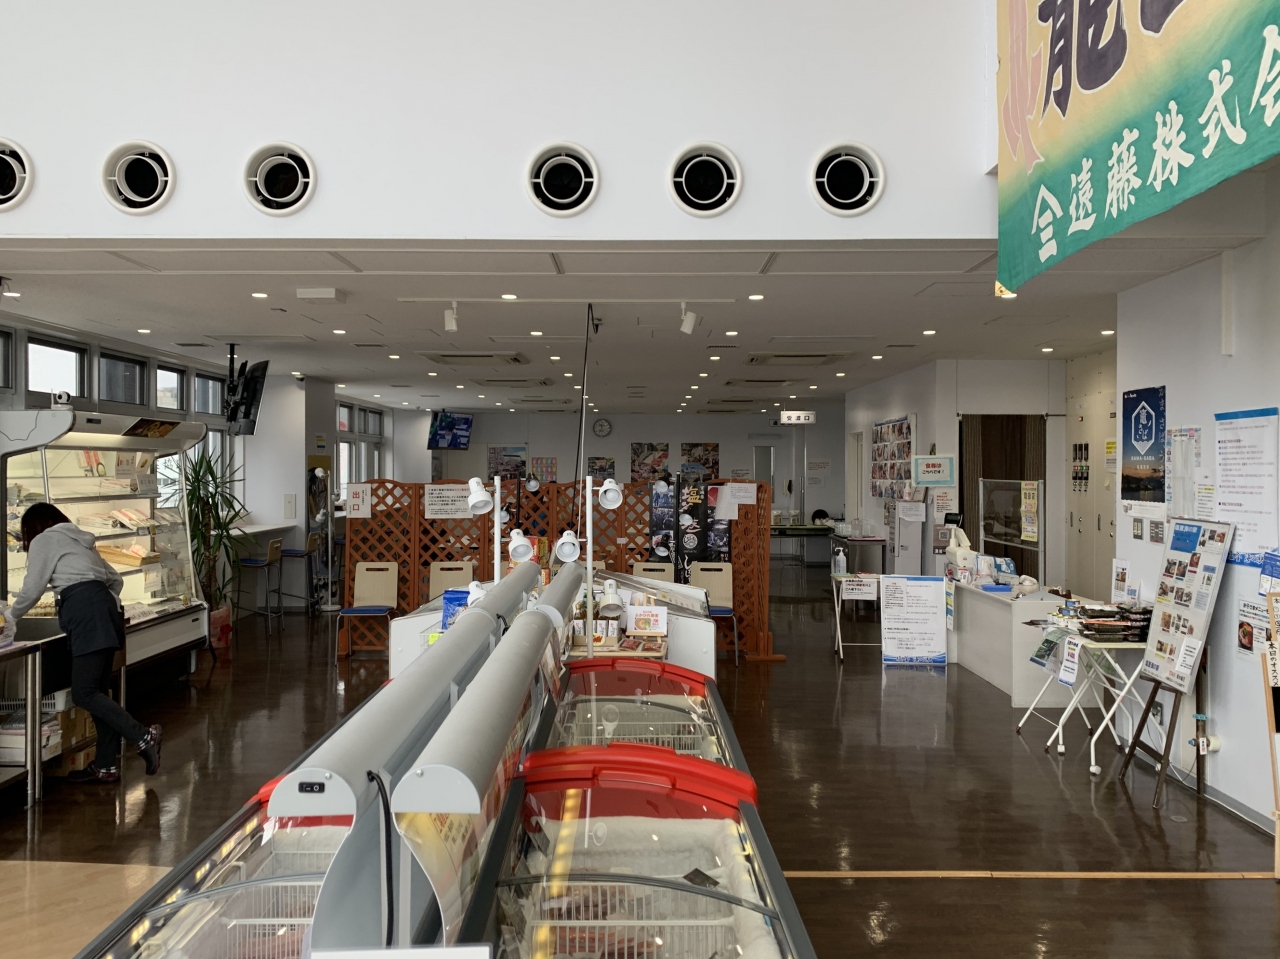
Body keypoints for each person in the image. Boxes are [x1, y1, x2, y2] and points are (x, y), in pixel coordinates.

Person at [3, 503, 160, 784]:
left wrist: (11, 616)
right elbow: (115, 580)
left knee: (84, 693)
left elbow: (33, 587)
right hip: (105, 610)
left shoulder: (44, 540)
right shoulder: (81, 540)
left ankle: (143, 735)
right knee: (97, 691)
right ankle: (105, 765)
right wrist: (101, 603)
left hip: (85, 611)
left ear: (33, 527)